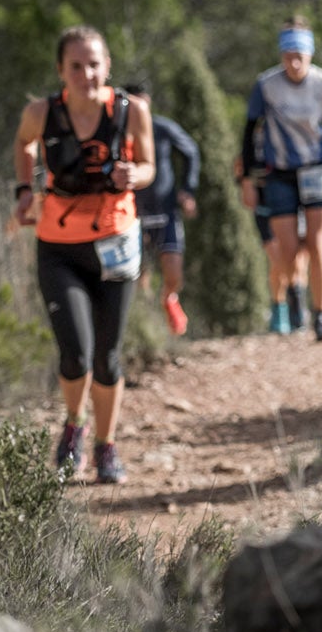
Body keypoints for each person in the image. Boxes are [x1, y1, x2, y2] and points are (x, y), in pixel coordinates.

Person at [12, 26, 155, 484]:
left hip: (115, 241)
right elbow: (23, 144)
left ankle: (106, 447)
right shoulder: (41, 113)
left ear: (107, 67)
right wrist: (23, 189)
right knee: (75, 353)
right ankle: (74, 425)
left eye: (94, 64)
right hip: (59, 247)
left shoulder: (132, 113)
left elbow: (150, 167)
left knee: (108, 358)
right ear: (61, 71)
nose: (86, 74)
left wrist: (134, 174)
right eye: (76, 65)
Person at [240, 17, 322, 342]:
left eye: (300, 56)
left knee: (318, 244)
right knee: (287, 248)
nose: (294, 63)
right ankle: (295, 296)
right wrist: (247, 180)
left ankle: (321, 316)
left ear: (310, 55)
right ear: (281, 55)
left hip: (316, 169)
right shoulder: (266, 85)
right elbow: (249, 134)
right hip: (278, 174)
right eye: (288, 55)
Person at [121, 83, 200, 337]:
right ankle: (143, 324)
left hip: (165, 209)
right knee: (136, 271)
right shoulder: (116, 132)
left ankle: (169, 298)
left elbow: (191, 151)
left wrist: (188, 189)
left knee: (173, 268)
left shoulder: (163, 128)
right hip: (131, 213)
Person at [235, 154, 310, 334]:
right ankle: (281, 309)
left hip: (295, 205)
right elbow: (239, 169)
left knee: (299, 261)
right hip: (265, 210)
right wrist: (246, 182)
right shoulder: (255, 143)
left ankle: (297, 307)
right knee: (278, 259)